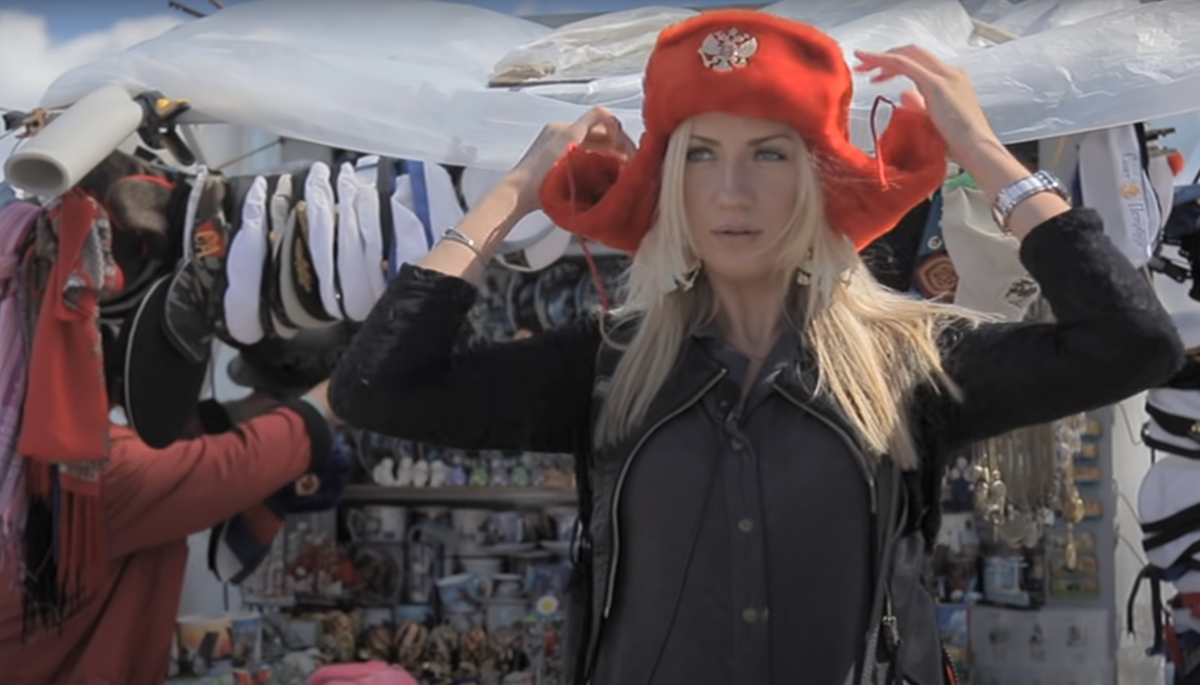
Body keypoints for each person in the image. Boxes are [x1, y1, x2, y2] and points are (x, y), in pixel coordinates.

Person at [330, 11, 1181, 685]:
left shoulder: (905, 362)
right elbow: (377, 388)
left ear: (815, 180)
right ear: (672, 183)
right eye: (701, 154)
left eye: (769, 154)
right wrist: (510, 197)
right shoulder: (608, 368)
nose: (732, 192)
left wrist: (987, 154)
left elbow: (1133, 345)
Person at [0, 335, 343, 685]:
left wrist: (244, 410)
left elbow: (159, 454)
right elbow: (221, 471)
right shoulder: (84, 470)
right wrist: (327, 403)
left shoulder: (27, 452)